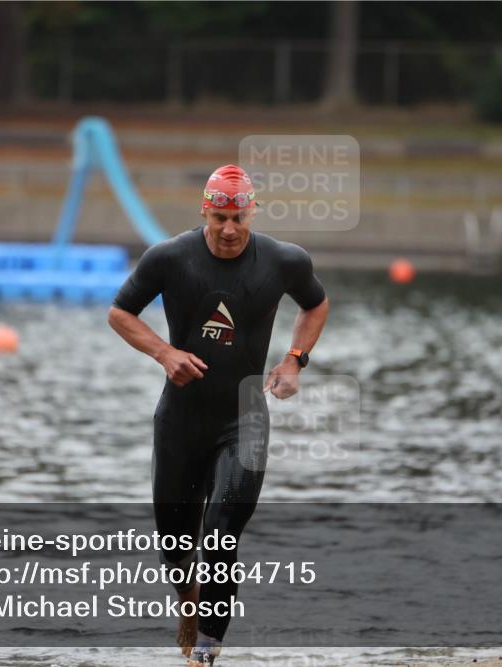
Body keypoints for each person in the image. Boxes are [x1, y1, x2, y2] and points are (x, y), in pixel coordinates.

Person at [108, 164, 329, 665]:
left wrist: (295, 361)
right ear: (204, 210)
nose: (229, 229)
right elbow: (119, 313)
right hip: (180, 421)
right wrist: (165, 354)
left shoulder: (284, 260)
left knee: (222, 534)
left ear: (253, 210)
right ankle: (190, 606)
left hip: (243, 418)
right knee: (176, 548)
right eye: (219, 217)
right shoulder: (168, 258)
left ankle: (207, 652)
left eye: (238, 217)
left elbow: (316, 304)